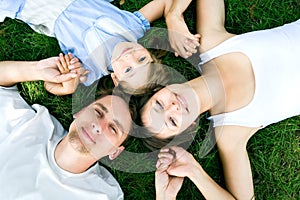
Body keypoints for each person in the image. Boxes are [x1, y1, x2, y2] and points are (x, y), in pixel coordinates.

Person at [138, 0, 300, 199]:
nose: (173, 107)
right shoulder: (230, 133)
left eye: (159, 104)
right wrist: (194, 171)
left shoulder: (211, 43)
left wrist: (173, 15)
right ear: (188, 129)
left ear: (163, 87)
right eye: (171, 121)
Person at [0, 55, 135, 199]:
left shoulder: (103, 195)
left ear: (114, 152)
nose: (99, 126)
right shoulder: (34, 124)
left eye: (113, 129)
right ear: (79, 112)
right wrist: (37, 69)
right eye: (98, 112)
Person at [0, 0, 200, 92]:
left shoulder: (90, 69)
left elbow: (50, 85)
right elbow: (165, 2)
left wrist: (69, 85)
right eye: (142, 59)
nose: (129, 56)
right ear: (148, 51)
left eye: (129, 70)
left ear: (115, 78)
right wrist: (175, 22)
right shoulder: (134, 29)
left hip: (38, 6)